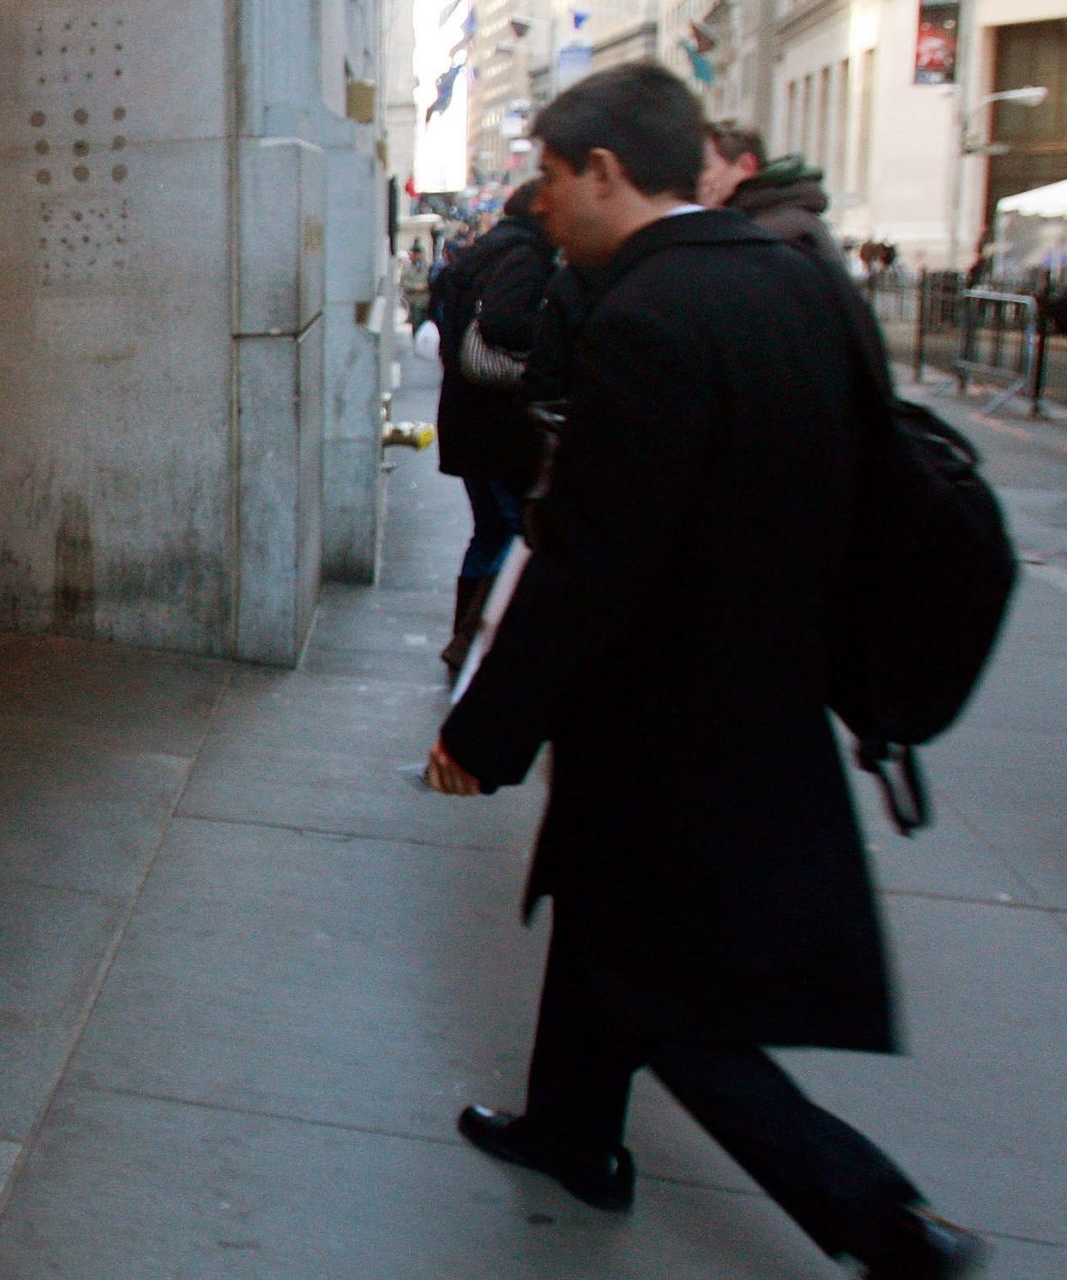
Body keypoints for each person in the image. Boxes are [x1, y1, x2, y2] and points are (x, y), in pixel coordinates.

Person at [422, 64, 988, 1279]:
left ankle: (883, 1216)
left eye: (552, 175)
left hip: (664, 723)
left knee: (665, 998)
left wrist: (484, 731)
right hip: (766, 692)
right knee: (604, 925)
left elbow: (590, 565)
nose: (542, 201)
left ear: (606, 172)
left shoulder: (647, 320)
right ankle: (574, 1130)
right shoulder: (797, 283)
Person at [432, 180, 556, 675]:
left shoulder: (483, 251)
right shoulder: (526, 258)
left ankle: (465, 636)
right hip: (498, 425)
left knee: (489, 532)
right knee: (507, 531)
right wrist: (551, 335)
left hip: (468, 419)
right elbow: (505, 323)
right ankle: (473, 639)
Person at [700, 119, 837, 263]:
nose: (696, 177)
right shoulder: (771, 219)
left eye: (705, 167)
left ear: (746, 165)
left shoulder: (771, 233)